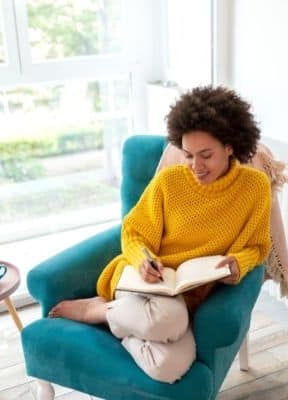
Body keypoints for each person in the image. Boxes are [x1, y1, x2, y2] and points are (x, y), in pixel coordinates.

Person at [49, 85, 272, 383]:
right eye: (189, 154)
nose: (195, 166)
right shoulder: (170, 181)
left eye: (206, 155)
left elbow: (258, 247)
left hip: (188, 295)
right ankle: (95, 311)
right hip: (146, 283)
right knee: (171, 319)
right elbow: (134, 231)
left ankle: (119, 323)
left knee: (170, 367)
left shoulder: (255, 187)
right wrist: (143, 259)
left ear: (230, 146)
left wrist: (238, 264)